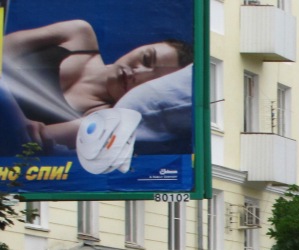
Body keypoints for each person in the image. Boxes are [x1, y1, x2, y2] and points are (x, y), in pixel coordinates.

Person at [1, 19, 193, 151]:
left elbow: (25, 140)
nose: (139, 73)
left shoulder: (100, 121)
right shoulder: (78, 34)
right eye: (146, 58)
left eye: (152, 80)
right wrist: (17, 114)